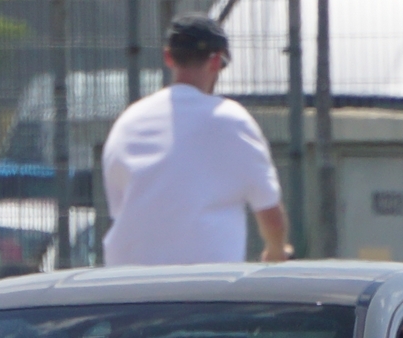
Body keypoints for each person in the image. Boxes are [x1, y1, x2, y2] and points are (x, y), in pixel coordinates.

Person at [101, 15, 291, 266]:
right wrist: (276, 252)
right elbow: (270, 214)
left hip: (128, 284)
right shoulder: (231, 119)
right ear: (215, 61)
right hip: (204, 287)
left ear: (168, 57)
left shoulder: (128, 121)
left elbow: (119, 208)